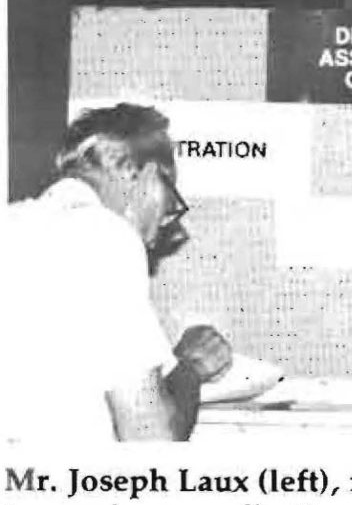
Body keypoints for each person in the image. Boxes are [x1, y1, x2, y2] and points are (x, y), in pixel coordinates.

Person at [0, 103, 232, 442]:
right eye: (169, 205)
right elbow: (151, 437)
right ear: (147, 176)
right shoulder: (105, 235)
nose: (158, 232)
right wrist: (191, 368)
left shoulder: (10, 222)